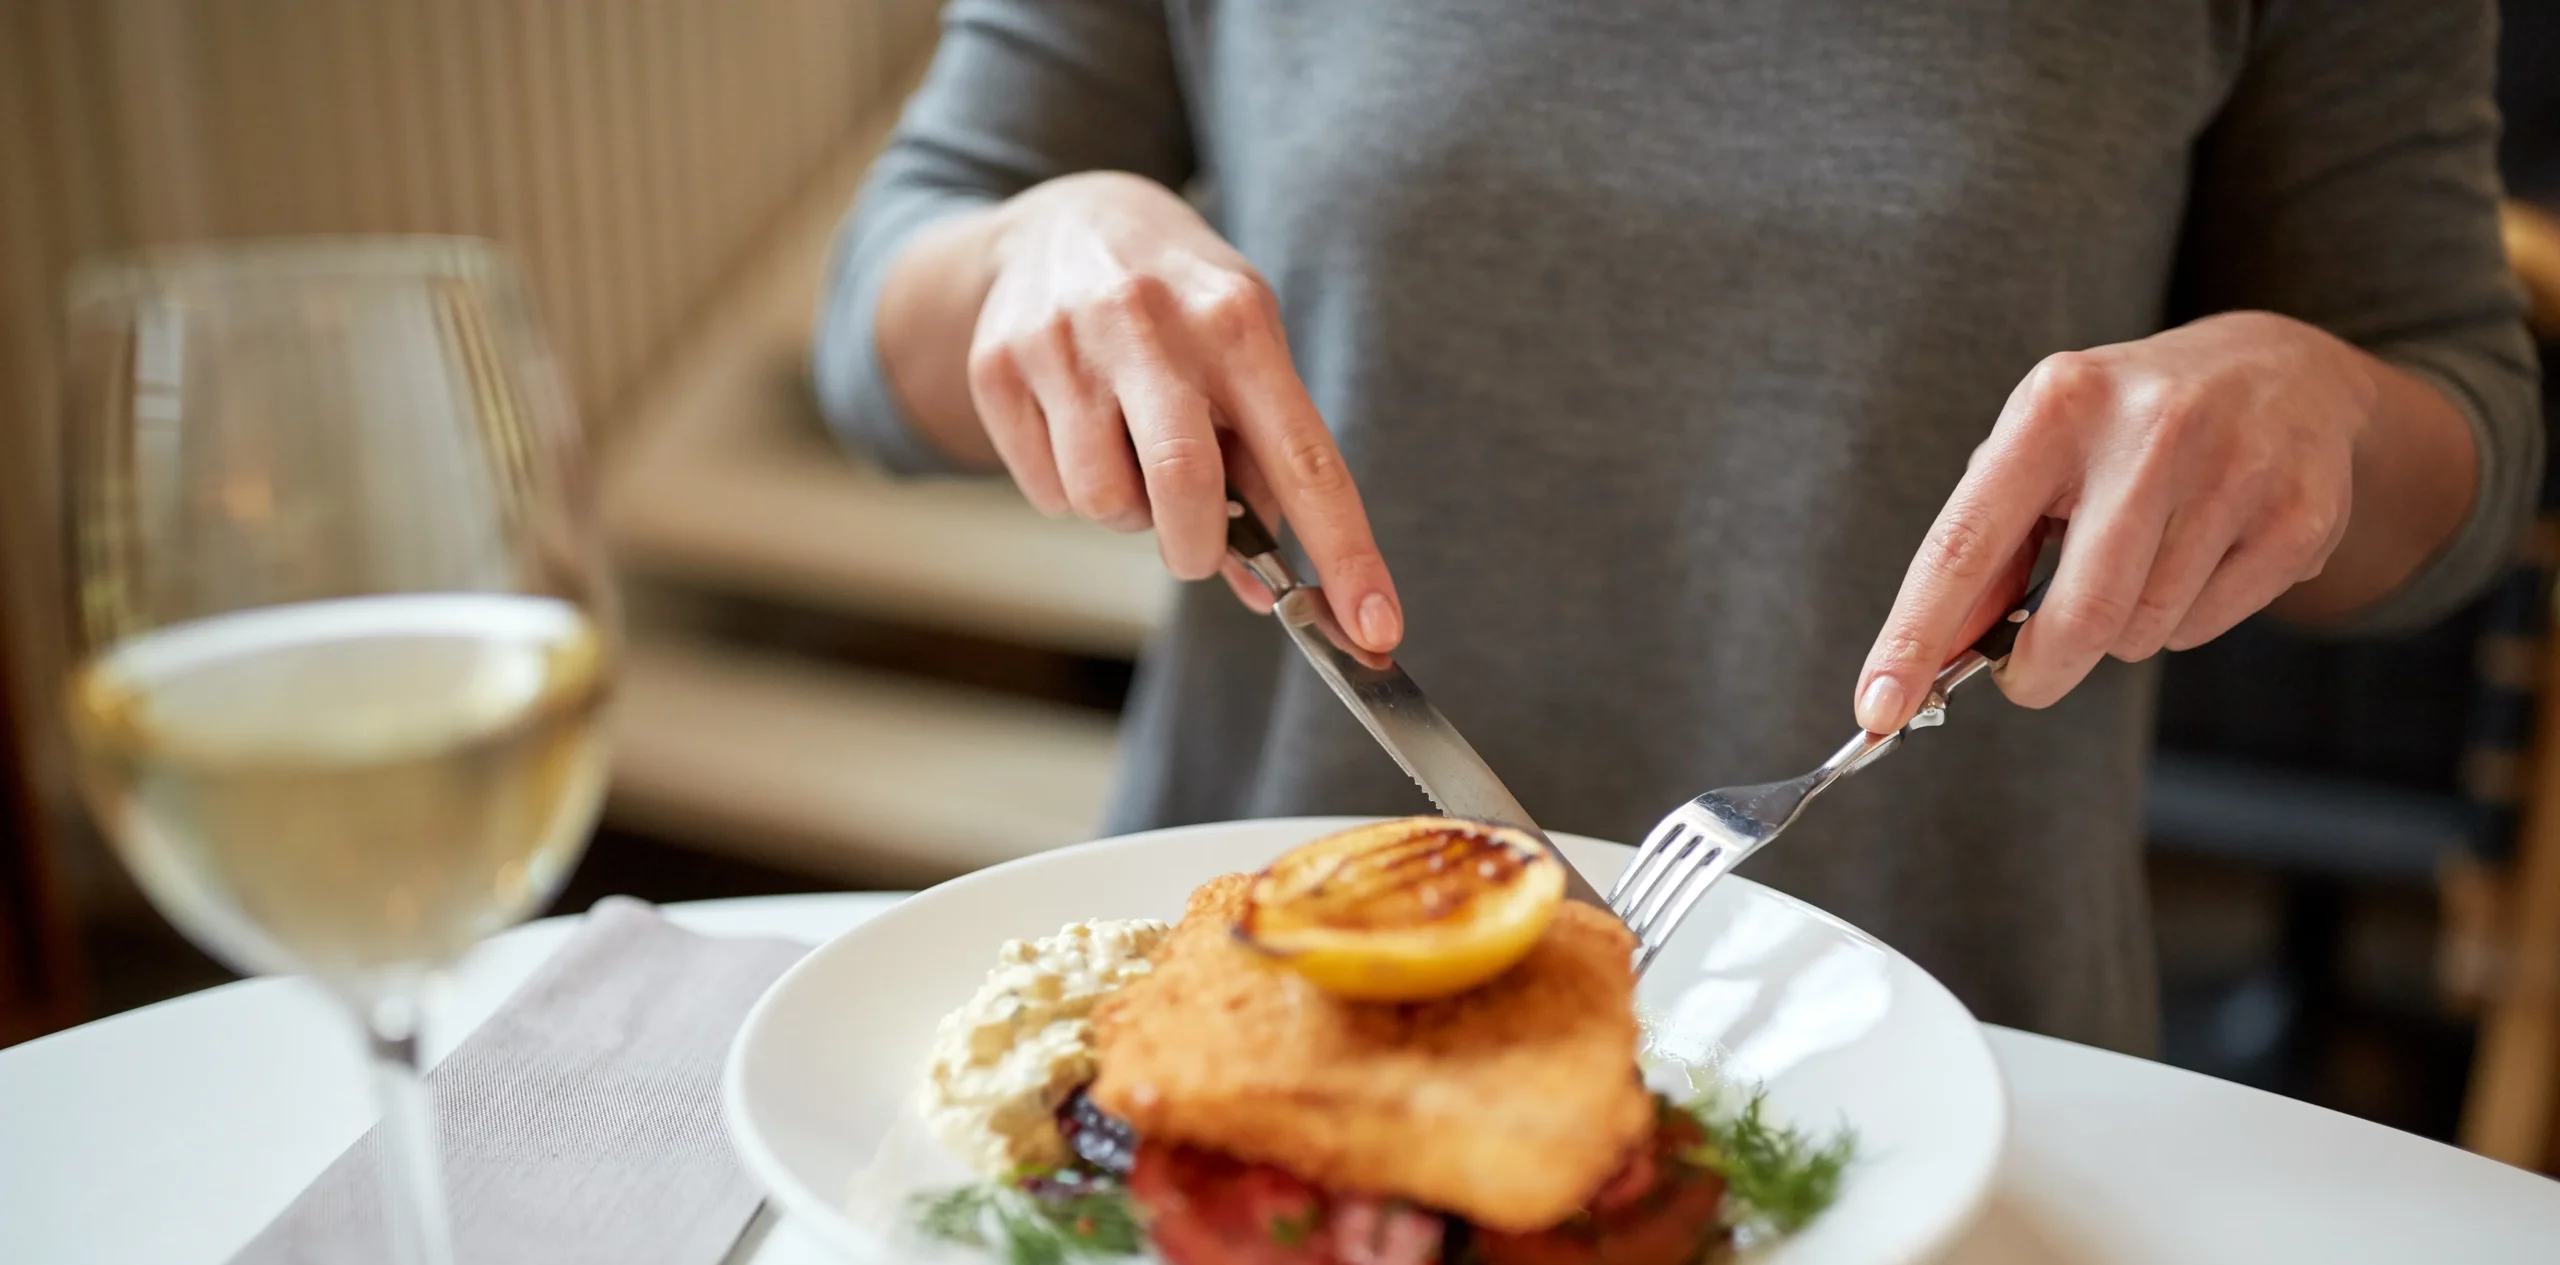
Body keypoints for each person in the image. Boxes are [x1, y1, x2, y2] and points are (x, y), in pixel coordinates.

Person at [814, 1, 2543, 1053]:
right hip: (1250, 1005)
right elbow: (879, 324)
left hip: (1947, 1033)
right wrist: (1027, 250)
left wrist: (2318, 405)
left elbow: (2470, 435)